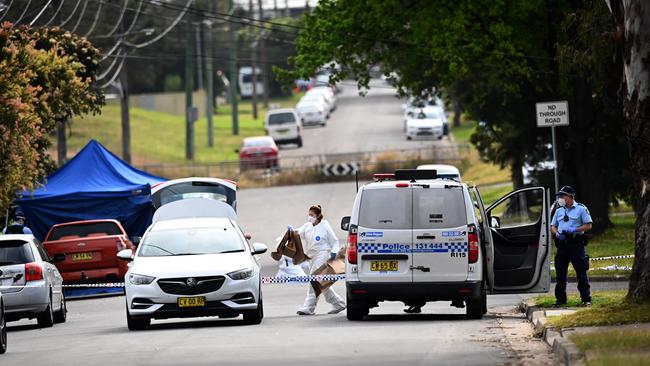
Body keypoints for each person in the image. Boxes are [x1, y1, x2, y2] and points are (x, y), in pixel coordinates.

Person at [292, 204, 346, 315]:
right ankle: (339, 303)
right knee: (322, 283)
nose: (309, 217)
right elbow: (298, 233)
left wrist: (334, 251)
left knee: (315, 280)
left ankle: (309, 307)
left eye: (312, 215)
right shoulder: (307, 226)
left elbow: (334, 241)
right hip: (311, 257)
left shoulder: (325, 226)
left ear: (317, 216)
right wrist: (291, 231)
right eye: (309, 215)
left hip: (323, 254)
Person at [550, 186, 592, 306]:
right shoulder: (559, 210)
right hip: (562, 246)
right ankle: (560, 300)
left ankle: (586, 299)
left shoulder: (581, 209)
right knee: (560, 274)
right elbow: (552, 226)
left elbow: (589, 225)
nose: (560, 199)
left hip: (576, 245)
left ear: (569, 197)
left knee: (581, 272)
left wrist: (575, 229)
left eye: (562, 196)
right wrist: (556, 233)